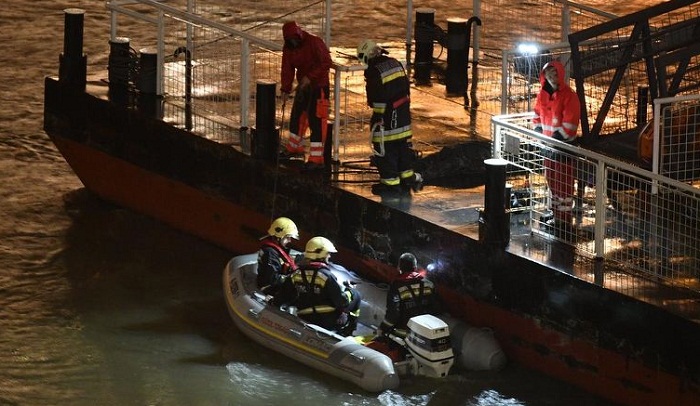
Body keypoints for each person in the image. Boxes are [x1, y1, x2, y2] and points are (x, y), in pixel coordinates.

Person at [357, 39, 422, 196]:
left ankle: (390, 183)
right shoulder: (394, 62)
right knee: (402, 146)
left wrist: (378, 117)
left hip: (387, 116)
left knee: (384, 148)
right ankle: (407, 177)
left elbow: (375, 98)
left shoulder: (373, 71)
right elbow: (406, 87)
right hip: (403, 112)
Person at [532, 60, 581, 237]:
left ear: (560, 75)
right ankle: (555, 213)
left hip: (563, 148)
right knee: (551, 180)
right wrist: (539, 133)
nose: (551, 77)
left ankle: (563, 219)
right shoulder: (543, 94)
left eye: (554, 74)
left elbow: (570, 123)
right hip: (549, 147)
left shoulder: (569, 96)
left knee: (564, 184)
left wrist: (554, 140)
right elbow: (537, 115)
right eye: (548, 74)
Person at [276, 236, 360, 335]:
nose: (329, 256)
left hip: (304, 316)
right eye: (328, 253)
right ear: (321, 254)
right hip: (327, 321)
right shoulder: (326, 276)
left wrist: (273, 302)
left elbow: (283, 295)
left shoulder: (296, 274)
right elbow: (341, 301)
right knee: (356, 295)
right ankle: (348, 331)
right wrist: (349, 291)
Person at [279, 21, 332, 171]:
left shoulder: (315, 42)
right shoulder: (288, 48)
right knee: (297, 116)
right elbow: (287, 69)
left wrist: (310, 77)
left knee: (317, 122)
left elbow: (326, 62)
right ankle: (295, 147)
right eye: (290, 41)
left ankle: (316, 158)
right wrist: (285, 88)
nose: (293, 43)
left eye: (294, 40)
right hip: (304, 86)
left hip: (319, 86)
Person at [378, 252, 440, 339]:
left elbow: (393, 314)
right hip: (425, 334)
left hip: (404, 334)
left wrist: (382, 328)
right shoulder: (429, 284)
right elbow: (435, 308)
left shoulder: (396, 286)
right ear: (415, 267)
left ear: (399, 267)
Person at [256, 217, 299, 296]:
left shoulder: (273, 250)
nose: (290, 241)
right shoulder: (270, 252)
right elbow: (273, 279)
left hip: (272, 282)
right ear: (279, 237)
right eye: (288, 237)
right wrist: (293, 278)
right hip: (269, 287)